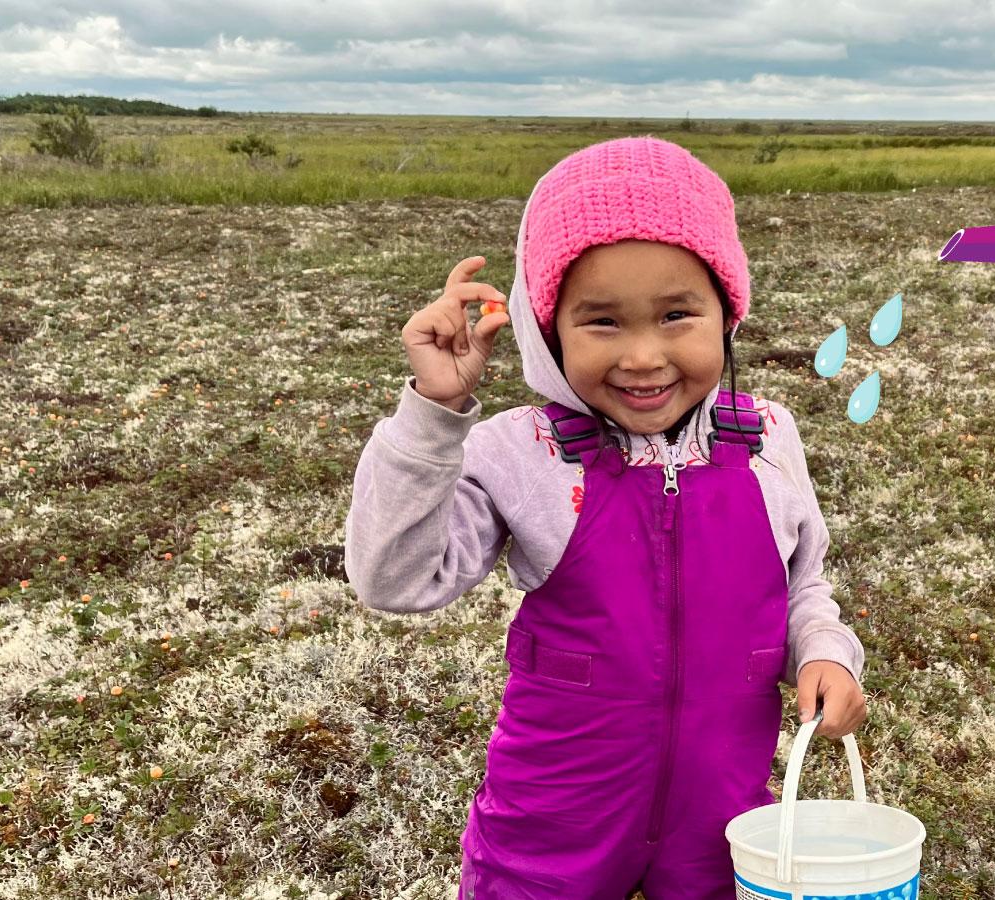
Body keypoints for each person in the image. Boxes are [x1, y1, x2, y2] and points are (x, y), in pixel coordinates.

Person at [344, 136, 867, 899]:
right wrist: (434, 414)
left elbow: (802, 586)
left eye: (677, 314)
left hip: (724, 820)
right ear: (548, 329)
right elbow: (395, 579)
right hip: (552, 820)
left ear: (728, 312)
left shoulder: (768, 440)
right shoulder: (525, 453)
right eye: (603, 322)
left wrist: (824, 651)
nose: (645, 356)